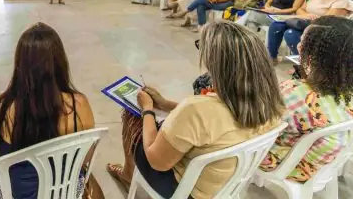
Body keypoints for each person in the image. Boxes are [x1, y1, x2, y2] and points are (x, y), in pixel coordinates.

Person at [107, 21, 284, 198]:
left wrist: (147, 109)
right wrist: (165, 104)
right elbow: (212, 123)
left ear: (217, 63)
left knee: (132, 116)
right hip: (227, 184)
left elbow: (157, 161)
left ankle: (127, 175)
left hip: (188, 190)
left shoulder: (196, 109)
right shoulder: (270, 103)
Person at [0, 23, 101, 199]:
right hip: (63, 192)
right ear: (59, 63)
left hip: (15, 194)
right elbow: (85, 158)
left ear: (20, 64)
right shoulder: (78, 105)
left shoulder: (1, 105)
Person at [260, 16, 353, 182]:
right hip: (324, 164)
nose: (298, 45)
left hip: (289, 165)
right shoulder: (346, 88)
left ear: (314, 54)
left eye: (303, 41)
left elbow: (261, 127)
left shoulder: (295, 93)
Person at [267, 0, 353, 61]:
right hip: (306, 23)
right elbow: (300, 10)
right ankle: (272, 58)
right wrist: (307, 15)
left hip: (321, 29)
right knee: (277, 25)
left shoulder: (342, 1)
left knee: (290, 33)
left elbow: (327, 20)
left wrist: (307, 16)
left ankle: (305, 64)